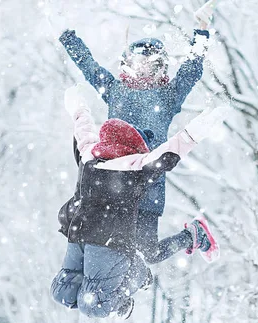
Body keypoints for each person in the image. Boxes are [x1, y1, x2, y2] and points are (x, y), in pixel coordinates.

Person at [49, 1, 218, 264]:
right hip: (110, 187)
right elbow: (87, 64)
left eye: (149, 64)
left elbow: (192, 69)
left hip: (148, 187)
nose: (143, 69)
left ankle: (193, 235)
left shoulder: (168, 95)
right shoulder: (116, 91)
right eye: (138, 62)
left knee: (145, 255)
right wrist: (64, 33)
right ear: (127, 63)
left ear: (160, 67)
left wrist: (202, 28)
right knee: (107, 250)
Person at [51, 86, 227, 319]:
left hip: (110, 242)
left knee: (92, 305)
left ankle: (135, 273)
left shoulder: (135, 166)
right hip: (78, 235)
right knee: (62, 292)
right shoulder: (90, 155)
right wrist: (77, 105)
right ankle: (127, 272)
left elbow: (172, 150)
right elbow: (83, 127)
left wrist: (197, 131)